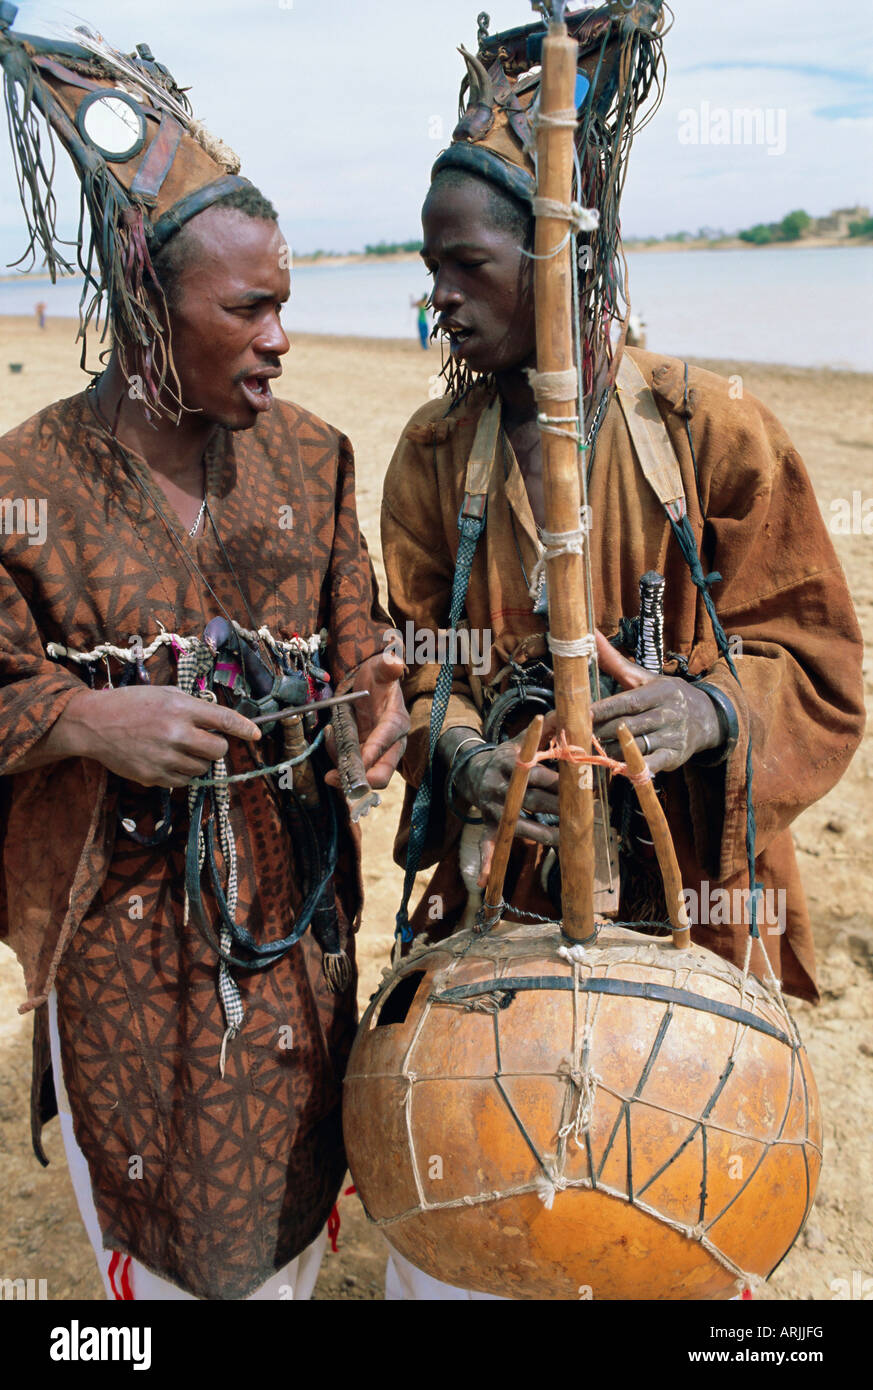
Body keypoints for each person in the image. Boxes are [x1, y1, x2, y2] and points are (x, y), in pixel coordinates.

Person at [380, 6, 864, 1297]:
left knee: (676, 1194)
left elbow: (817, 654)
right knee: (489, 1175)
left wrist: (709, 710)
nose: (436, 295)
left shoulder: (710, 424)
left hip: (696, 897)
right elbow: (410, 657)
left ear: (556, 259)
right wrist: (473, 755)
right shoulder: (436, 455)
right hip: (508, 898)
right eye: (431, 266)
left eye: (464, 265)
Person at [0, 21, 407, 1300]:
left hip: (292, 921)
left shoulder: (315, 458)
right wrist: (81, 721)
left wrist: (377, 705)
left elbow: (364, 634)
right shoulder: (25, 482)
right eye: (251, 307)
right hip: (120, 943)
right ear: (144, 307)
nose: (282, 337)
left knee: (284, 1203)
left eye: (286, 303)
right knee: (161, 1225)